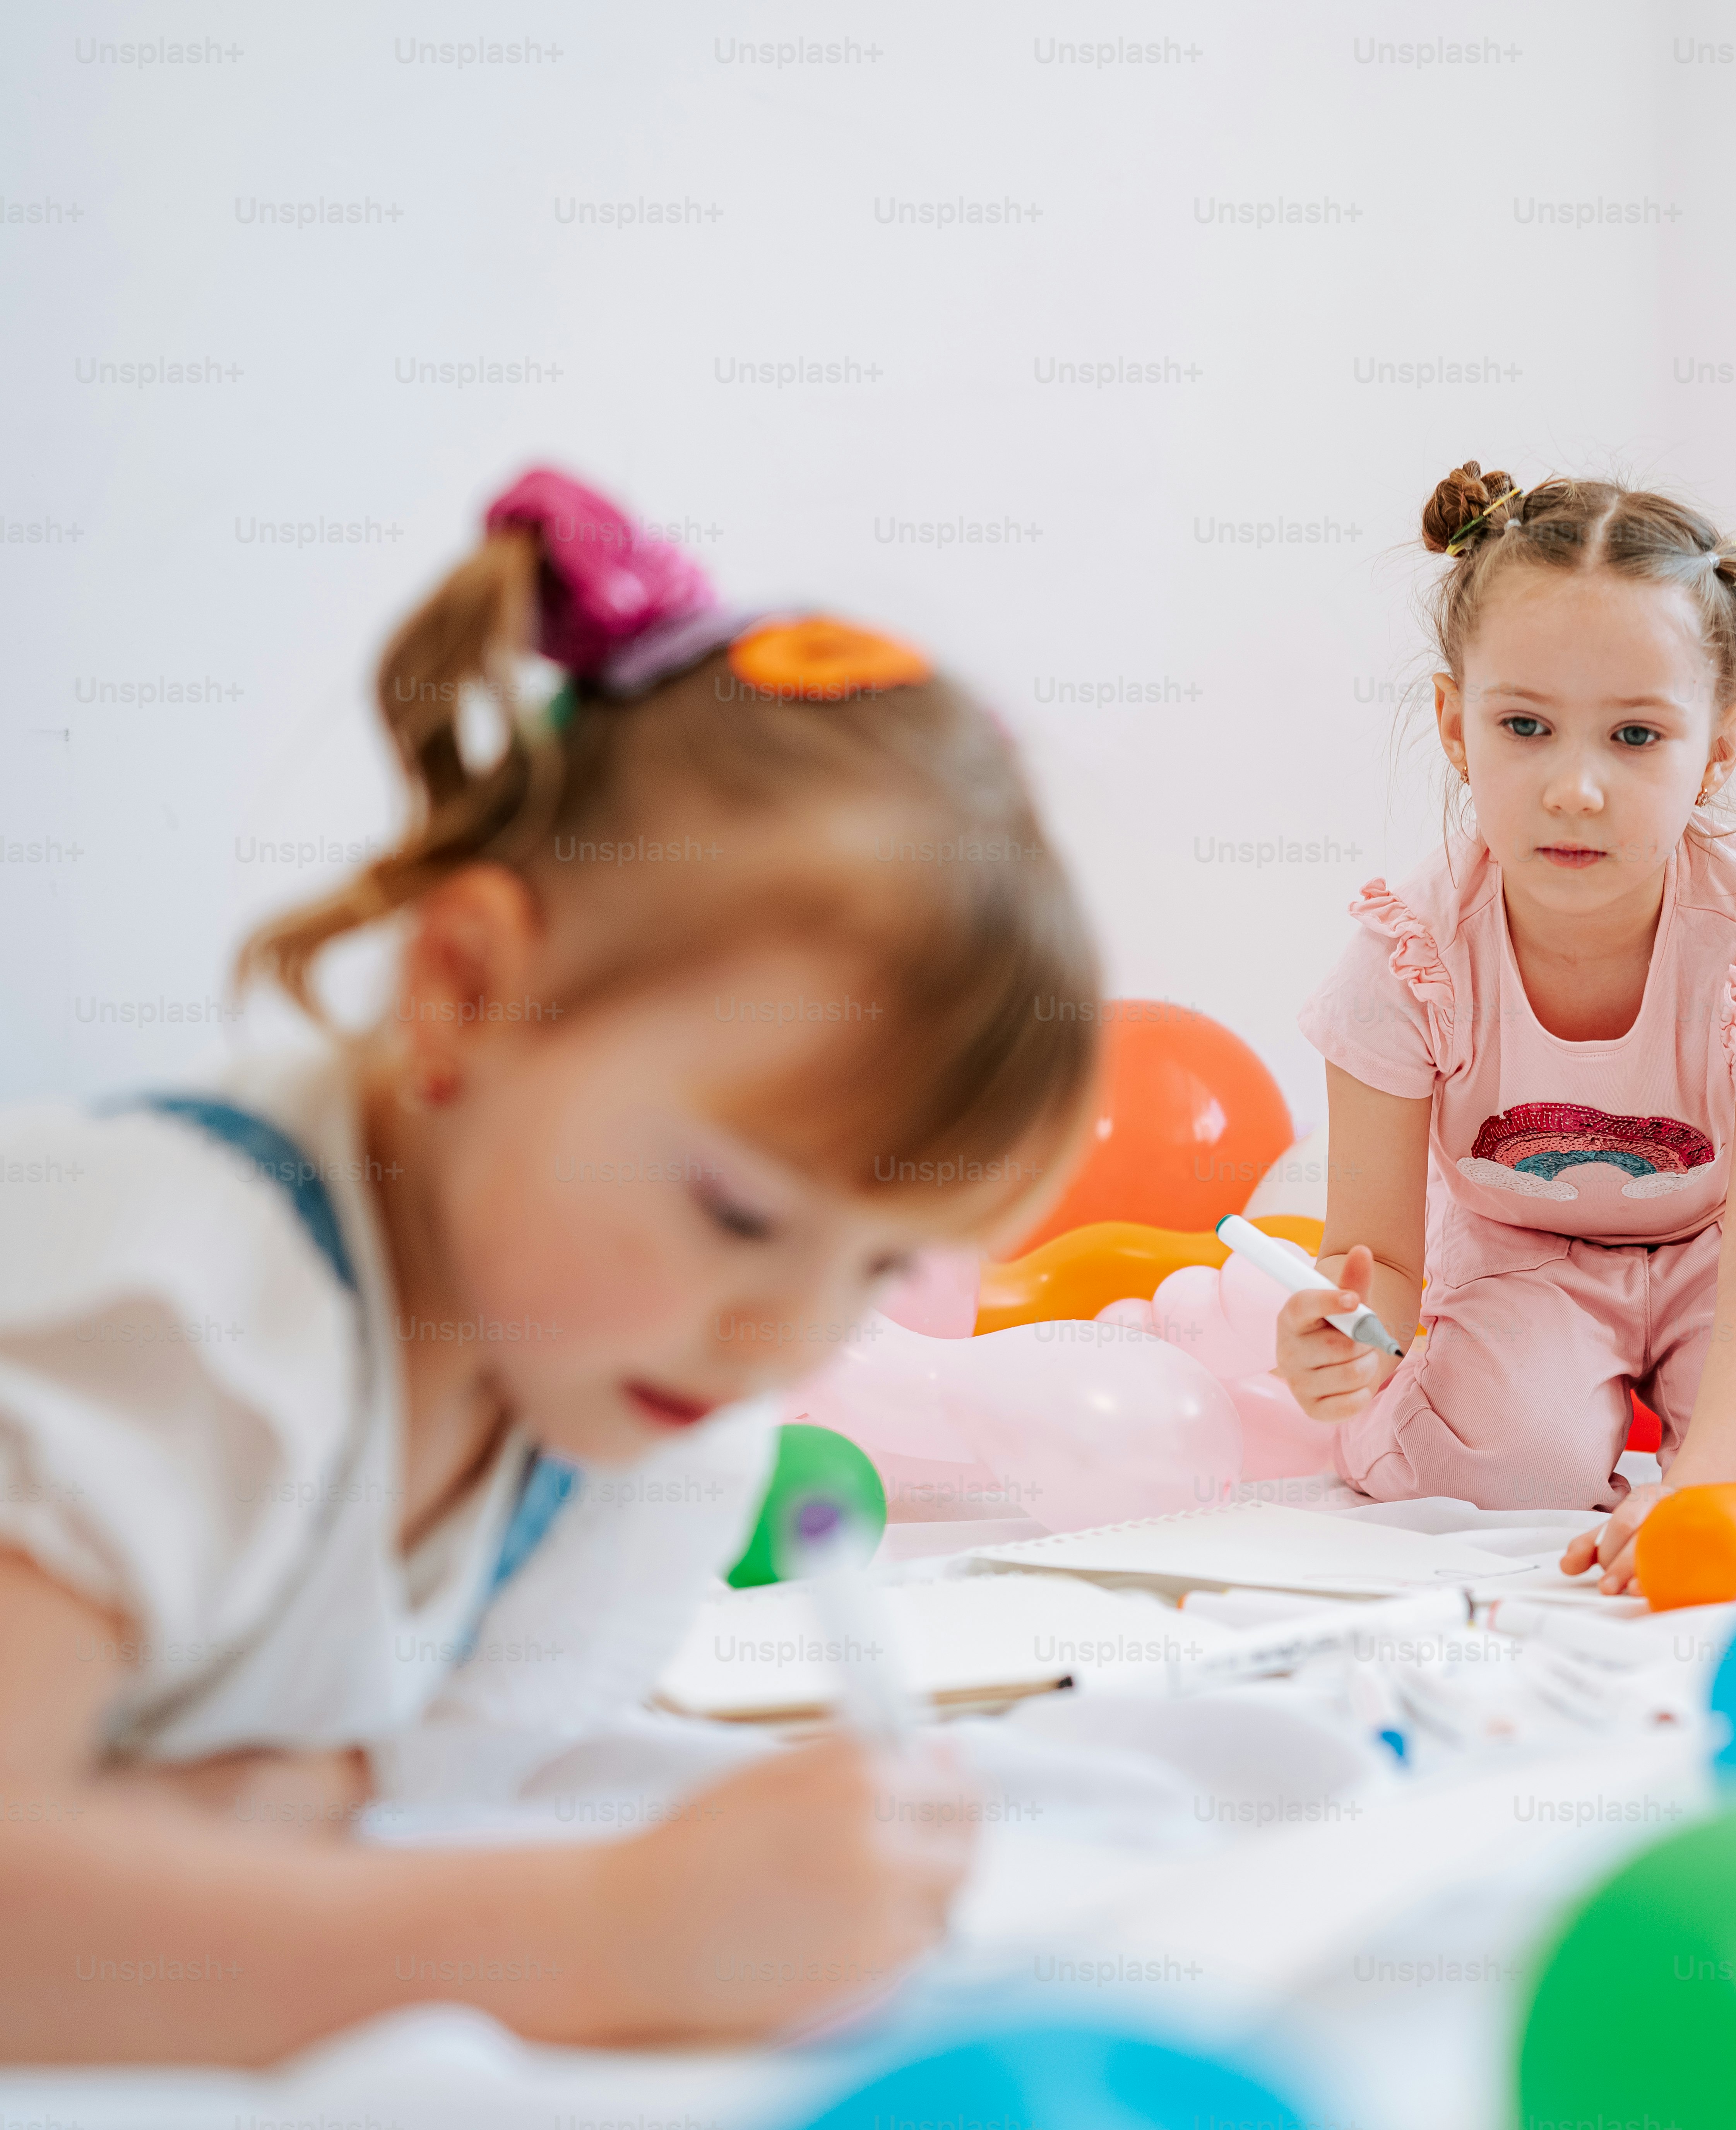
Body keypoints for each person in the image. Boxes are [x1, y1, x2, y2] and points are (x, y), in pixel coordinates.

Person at [0, 469, 1101, 2060]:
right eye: (739, 1214)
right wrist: (602, 1934)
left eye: (878, 1271)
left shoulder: (644, 1452)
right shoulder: (186, 1309)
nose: (788, 1341)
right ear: (465, 991)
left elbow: (338, 1813)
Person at [1280, 463, 1736, 1592]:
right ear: (1455, 726)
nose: (1575, 788)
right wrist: (1346, 1343)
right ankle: (1562, 1400)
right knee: (1491, 1470)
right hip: (1516, 1249)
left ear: (1720, 746)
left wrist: (1701, 1491)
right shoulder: (1408, 954)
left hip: (1727, 1251)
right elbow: (1377, 1257)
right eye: (1525, 725)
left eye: (1635, 735)